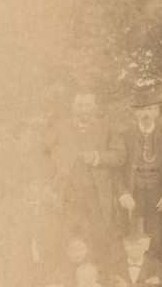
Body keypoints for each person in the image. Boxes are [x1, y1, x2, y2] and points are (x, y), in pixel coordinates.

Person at [44, 90, 126, 245]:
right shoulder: (61, 128)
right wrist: (49, 182)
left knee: (99, 236)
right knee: (70, 235)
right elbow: (44, 153)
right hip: (69, 192)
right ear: (73, 108)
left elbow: (120, 156)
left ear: (95, 108)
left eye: (88, 105)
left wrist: (97, 157)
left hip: (97, 193)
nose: (84, 109)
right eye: (80, 105)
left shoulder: (107, 128)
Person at [117, 87, 162, 246]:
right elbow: (117, 168)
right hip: (133, 191)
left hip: (158, 193)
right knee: (132, 236)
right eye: (142, 110)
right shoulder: (124, 135)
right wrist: (122, 193)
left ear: (157, 111)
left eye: (150, 109)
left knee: (157, 236)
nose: (146, 114)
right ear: (135, 113)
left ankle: (154, 269)